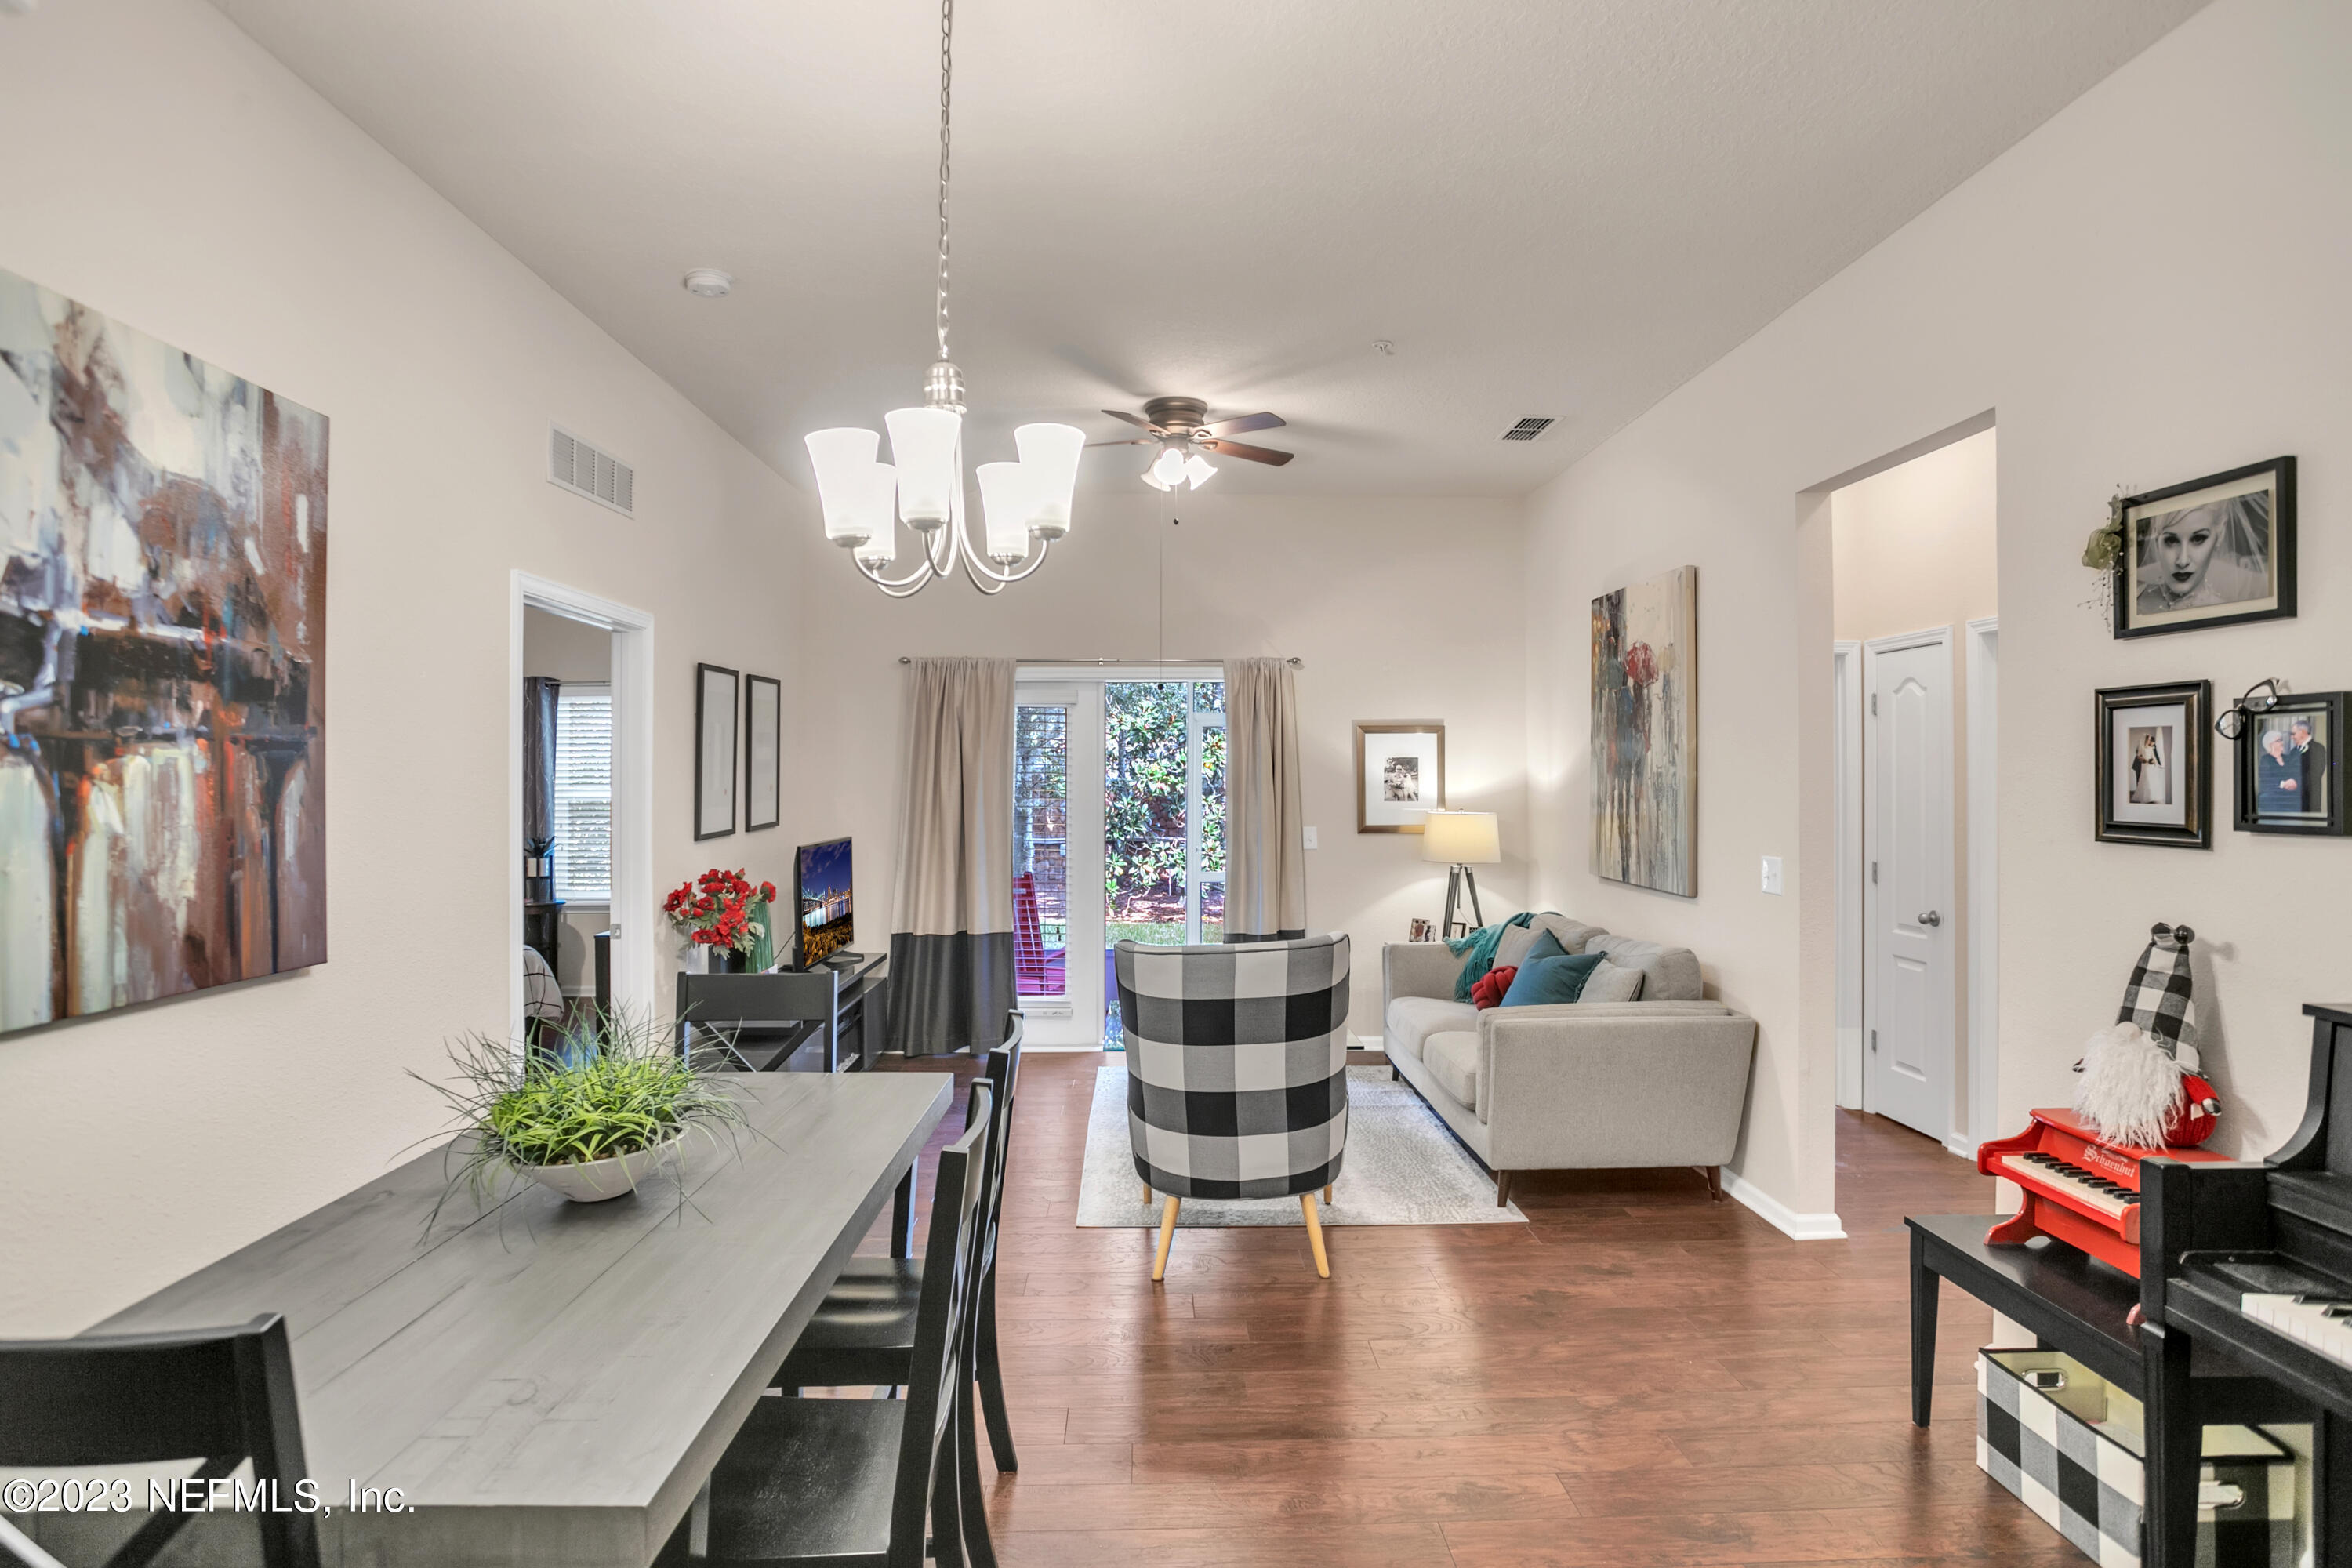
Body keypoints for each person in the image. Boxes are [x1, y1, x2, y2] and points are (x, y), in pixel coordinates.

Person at [2136, 498, 2270, 613]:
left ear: (2221, 534)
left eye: (2198, 539)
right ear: (2156, 540)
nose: (2182, 561)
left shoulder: (2224, 612)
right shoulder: (2133, 599)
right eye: (2171, 541)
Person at [2292, 716, 2330, 811]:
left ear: (2303, 733)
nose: (2292, 737)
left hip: (2310, 797)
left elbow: (2316, 773)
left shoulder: (2318, 748)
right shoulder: (2293, 751)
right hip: (2294, 799)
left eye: (2294, 733)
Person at [2257, 730, 2299, 814]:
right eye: (2278, 741)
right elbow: (2266, 779)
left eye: (2281, 740)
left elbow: (2295, 774)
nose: (2282, 743)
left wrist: (2294, 782)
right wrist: (2283, 784)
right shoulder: (2266, 759)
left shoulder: (2288, 758)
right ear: (2271, 744)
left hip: (2288, 798)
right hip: (2273, 798)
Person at [2129, 732, 2166, 805]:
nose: (2149, 741)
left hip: (2151, 766)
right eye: (2148, 739)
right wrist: (2144, 760)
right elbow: (2138, 756)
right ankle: (2145, 796)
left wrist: (2156, 764)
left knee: (2151, 779)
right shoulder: (2141, 747)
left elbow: (2154, 756)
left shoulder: (2151, 747)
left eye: (2150, 740)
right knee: (2145, 779)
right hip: (2144, 765)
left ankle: (2151, 796)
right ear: (2145, 740)